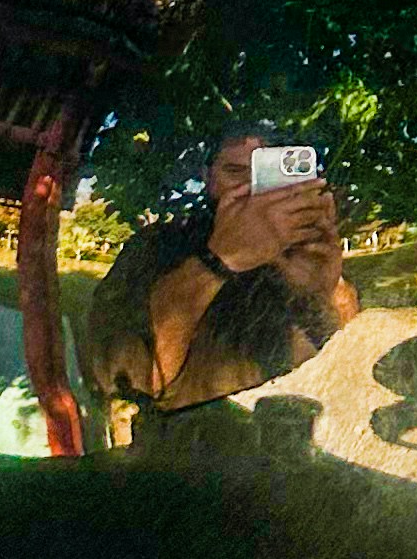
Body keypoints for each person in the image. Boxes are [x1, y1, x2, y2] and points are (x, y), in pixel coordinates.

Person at [84, 136, 353, 415]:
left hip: (302, 435)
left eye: (267, 176)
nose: (251, 188)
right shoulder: (159, 245)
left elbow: (350, 368)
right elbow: (128, 379)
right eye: (235, 172)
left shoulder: (300, 249)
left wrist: (327, 289)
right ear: (207, 176)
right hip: (189, 447)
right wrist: (218, 260)